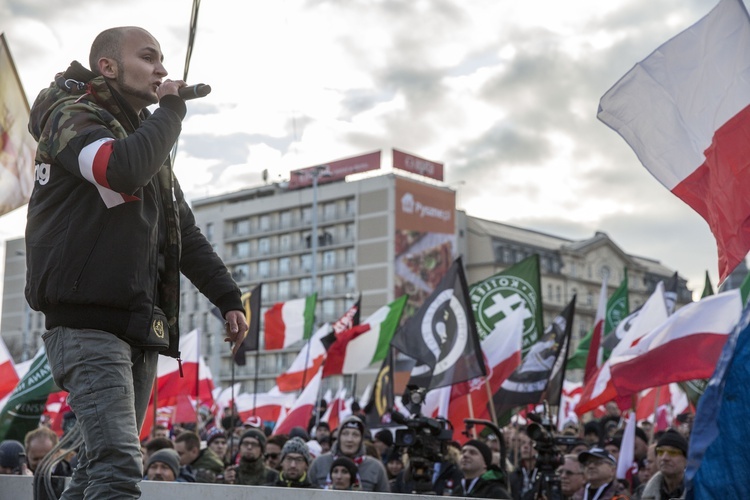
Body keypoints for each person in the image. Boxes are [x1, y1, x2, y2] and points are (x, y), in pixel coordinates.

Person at [25, 26, 249, 499]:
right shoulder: (70, 115)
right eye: (148, 57)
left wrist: (227, 296)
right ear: (108, 66)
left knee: (93, 470)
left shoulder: (144, 139)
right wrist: (170, 111)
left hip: (139, 326)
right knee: (118, 468)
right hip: (88, 325)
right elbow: (117, 167)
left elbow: (180, 230)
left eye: (163, 59)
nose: (163, 69)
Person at [307, 415, 390, 491]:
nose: (349, 439)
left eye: (355, 435)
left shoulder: (375, 467)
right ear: (339, 437)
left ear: (361, 439)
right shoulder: (319, 463)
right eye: (345, 434)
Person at [637, 429, 688, 500]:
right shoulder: (641, 493)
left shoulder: (700, 492)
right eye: (660, 452)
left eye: (673, 452)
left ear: (686, 460)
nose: (665, 458)